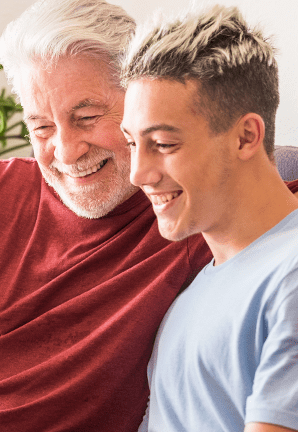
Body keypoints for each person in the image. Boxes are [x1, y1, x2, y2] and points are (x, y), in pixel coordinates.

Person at [0, 1, 214, 431]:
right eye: (42, 128)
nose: (66, 152)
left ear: (142, 98)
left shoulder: (192, 209)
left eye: (86, 117)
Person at [121, 5, 298, 432]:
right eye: (131, 143)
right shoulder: (189, 297)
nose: (138, 174)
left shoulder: (290, 277)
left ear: (245, 136)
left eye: (162, 143)